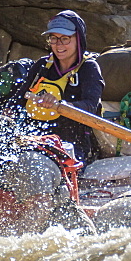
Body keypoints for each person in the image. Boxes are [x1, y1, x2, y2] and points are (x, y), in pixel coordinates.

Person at [17, 10, 105, 164]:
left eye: (65, 39)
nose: (58, 45)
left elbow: (91, 106)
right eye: (53, 38)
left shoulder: (89, 68)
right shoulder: (42, 65)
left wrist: (60, 105)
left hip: (71, 145)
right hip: (33, 137)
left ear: (78, 39)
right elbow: (19, 99)